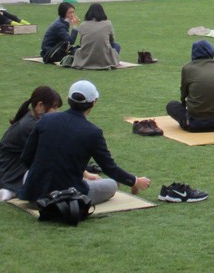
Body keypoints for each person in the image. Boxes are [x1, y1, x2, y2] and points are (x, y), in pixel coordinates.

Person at [21, 80, 150, 205]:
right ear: (93, 103)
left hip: (35, 191)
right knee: (112, 184)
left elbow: (27, 157)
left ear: (68, 99)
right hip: (68, 195)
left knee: (30, 174)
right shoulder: (93, 132)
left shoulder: (46, 119)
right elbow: (109, 168)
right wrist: (135, 181)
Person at [0, 85, 63, 201]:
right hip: (3, 172)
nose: (56, 112)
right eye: (54, 107)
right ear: (40, 106)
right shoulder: (30, 126)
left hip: (1, 169)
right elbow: (48, 152)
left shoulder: (32, 120)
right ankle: (10, 189)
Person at [166, 40, 214, 132]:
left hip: (195, 124)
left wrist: (185, 107)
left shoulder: (188, 68)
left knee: (171, 105)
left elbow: (184, 94)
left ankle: (188, 121)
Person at [72, 3, 121, 70]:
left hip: (87, 56)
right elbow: (111, 40)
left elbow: (82, 43)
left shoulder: (83, 25)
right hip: (104, 57)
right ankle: (108, 60)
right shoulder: (108, 24)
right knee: (116, 46)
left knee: (77, 49)